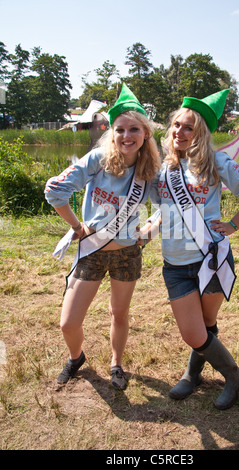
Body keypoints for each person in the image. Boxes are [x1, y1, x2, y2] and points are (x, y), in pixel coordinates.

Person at [140, 89, 239, 410]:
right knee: (194, 333)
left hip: (211, 260)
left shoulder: (216, 162)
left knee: (204, 328)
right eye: (176, 125)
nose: (178, 132)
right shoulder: (164, 166)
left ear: (201, 134)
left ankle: (192, 375)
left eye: (188, 128)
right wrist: (147, 230)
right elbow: (165, 208)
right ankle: (234, 375)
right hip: (176, 264)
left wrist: (234, 224)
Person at [45, 83, 160, 389]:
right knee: (68, 322)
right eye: (120, 129)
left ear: (145, 133)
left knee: (119, 313)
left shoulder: (151, 170)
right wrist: (77, 227)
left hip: (127, 254)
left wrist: (148, 233)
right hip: (92, 249)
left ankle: (116, 364)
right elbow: (55, 190)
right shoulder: (98, 159)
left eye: (134, 129)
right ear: (112, 131)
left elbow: (168, 209)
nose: (126, 136)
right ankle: (76, 357)